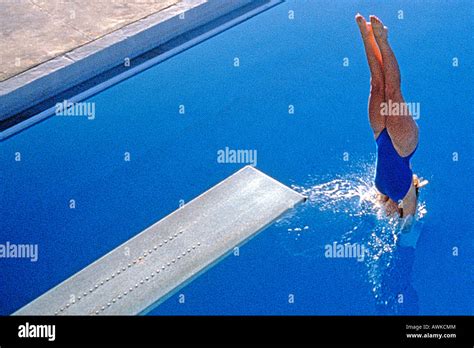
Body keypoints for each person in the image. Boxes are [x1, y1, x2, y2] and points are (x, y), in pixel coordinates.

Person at [355, 14, 428, 218]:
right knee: (393, 91)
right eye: (392, 214)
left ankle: (367, 36)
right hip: (403, 146)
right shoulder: (407, 197)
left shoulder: (381, 190)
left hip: (380, 134)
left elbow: (371, 202)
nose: (388, 214)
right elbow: (408, 228)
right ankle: (383, 39)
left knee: (377, 85)